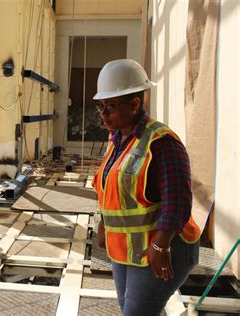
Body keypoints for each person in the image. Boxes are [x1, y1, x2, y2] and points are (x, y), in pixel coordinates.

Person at [92, 59, 201, 315]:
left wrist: (161, 245)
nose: (104, 114)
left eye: (110, 106)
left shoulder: (162, 143)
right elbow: (112, 189)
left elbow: (178, 201)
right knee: (134, 309)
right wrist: (103, 224)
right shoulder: (118, 139)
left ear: (135, 104)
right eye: (100, 107)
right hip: (128, 249)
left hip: (165, 247)